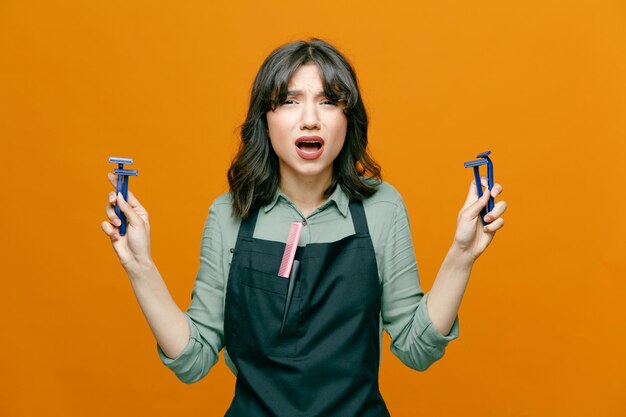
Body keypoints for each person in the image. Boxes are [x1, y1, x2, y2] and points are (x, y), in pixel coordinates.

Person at [101, 38, 507, 416]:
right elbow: (194, 360)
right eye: (290, 101)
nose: (310, 119)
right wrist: (141, 268)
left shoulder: (382, 208)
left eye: (329, 101)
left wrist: (462, 256)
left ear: (348, 119)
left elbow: (416, 349)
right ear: (266, 117)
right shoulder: (228, 214)